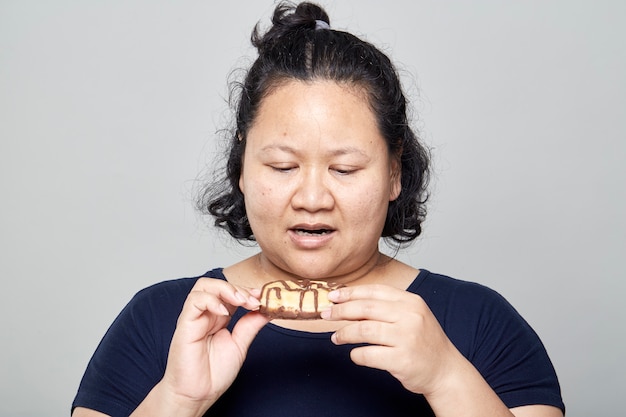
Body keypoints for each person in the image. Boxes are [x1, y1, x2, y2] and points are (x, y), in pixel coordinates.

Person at [71, 2, 564, 416]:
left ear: (394, 172)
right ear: (242, 168)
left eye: (344, 169)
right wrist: (178, 397)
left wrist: (447, 377)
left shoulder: (481, 322)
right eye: (283, 167)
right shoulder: (160, 320)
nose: (311, 198)